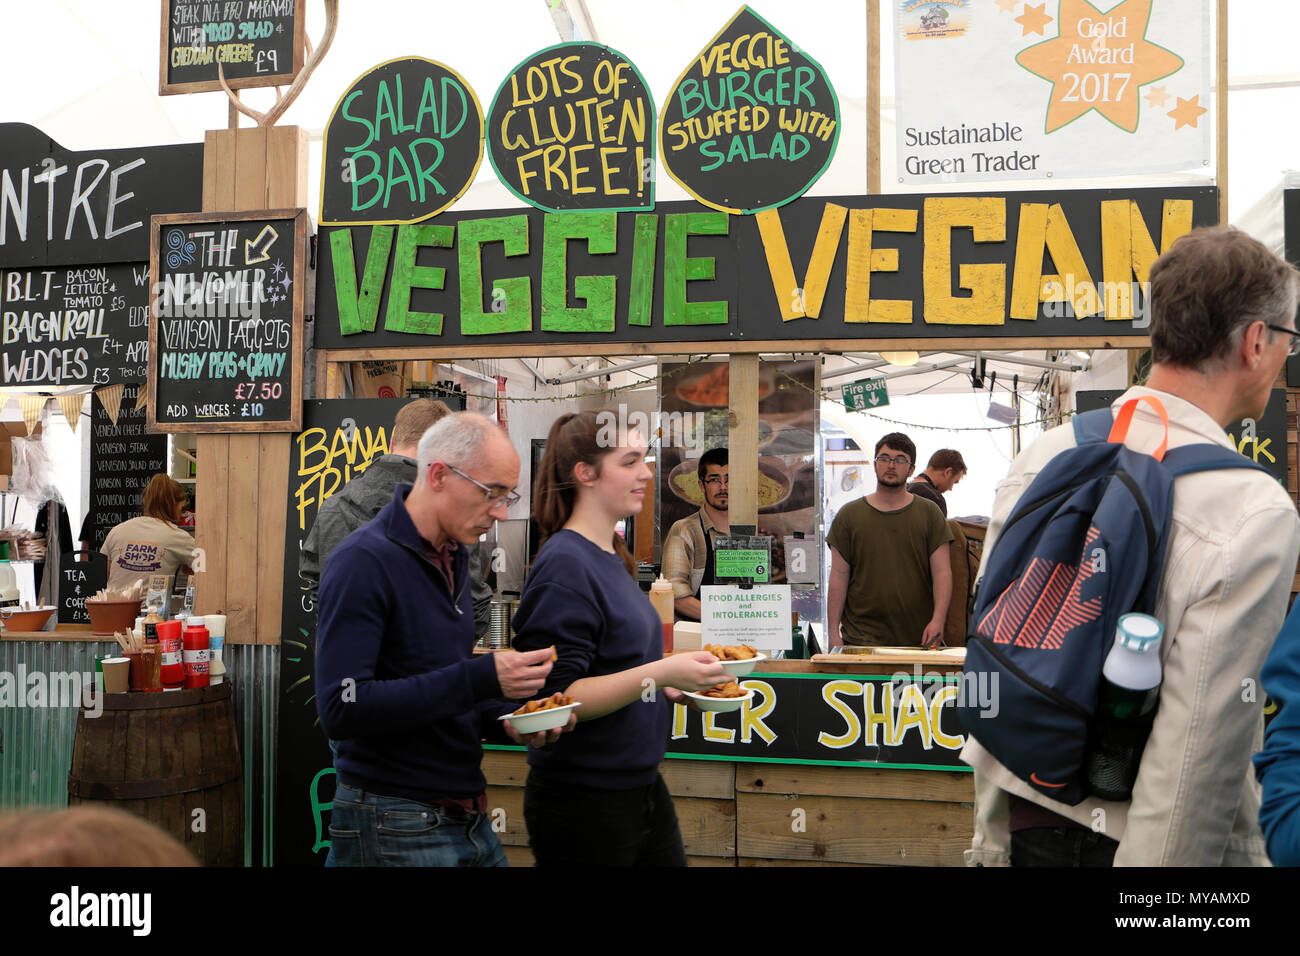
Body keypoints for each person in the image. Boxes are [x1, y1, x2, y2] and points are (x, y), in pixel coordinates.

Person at [964, 225, 1300, 867]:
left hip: (1022, 818)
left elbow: (999, 650)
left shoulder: (1049, 453)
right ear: (1257, 341)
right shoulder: (1252, 509)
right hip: (1136, 845)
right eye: (1287, 337)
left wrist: (991, 842)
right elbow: (1196, 754)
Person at [315, 412, 568, 867]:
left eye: (507, 495)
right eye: (491, 493)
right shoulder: (363, 562)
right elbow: (342, 707)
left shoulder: (453, 558)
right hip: (394, 819)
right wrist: (482, 678)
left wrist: (509, 717)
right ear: (438, 475)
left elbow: (432, 680)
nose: (502, 512)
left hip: (463, 814)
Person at [510, 411, 730, 866]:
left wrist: (666, 687)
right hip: (584, 801)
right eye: (630, 461)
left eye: (645, 460)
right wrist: (662, 670)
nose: (646, 473)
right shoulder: (565, 564)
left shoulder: (610, 554)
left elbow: (616, 670)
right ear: (585, 474)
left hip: (638, 786)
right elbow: (557, 698)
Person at [301, 398, 492, 638]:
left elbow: (320, 592)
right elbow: (473, 606)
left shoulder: (333, 505)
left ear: (391, 442)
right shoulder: (454, 513)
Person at [826, 432, 953, 649]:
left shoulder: (930, 513)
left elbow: (942, 572)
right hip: (860, 640)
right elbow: (838, 576)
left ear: (911, 469)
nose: (891, 465)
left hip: (918, 638)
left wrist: (938, 620)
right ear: (875, 464)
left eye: (900, 459)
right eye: (884, 458)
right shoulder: (849, 515)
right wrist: (832, 633)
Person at [661, 446, 728, 621]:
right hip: (696, 636)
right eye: (714, 480)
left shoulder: (751, 533)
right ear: (701, 485)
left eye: (730, 480)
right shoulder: (684, 530)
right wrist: (726, 620)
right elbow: (675, 596)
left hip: (744, 637)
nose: (723, 487)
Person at [100, 474, 195, 592]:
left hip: (112, 607)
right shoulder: (178, 536)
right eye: (182, 509)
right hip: (151, 609)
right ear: (171, 505)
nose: (182, 515)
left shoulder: (117, 531)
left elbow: (103, 574)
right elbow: (206, 569)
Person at [907, 449, 967, 517]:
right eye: (954, 482)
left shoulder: (900, 490)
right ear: (948, 472)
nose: (951, 488)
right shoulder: (935, 499)